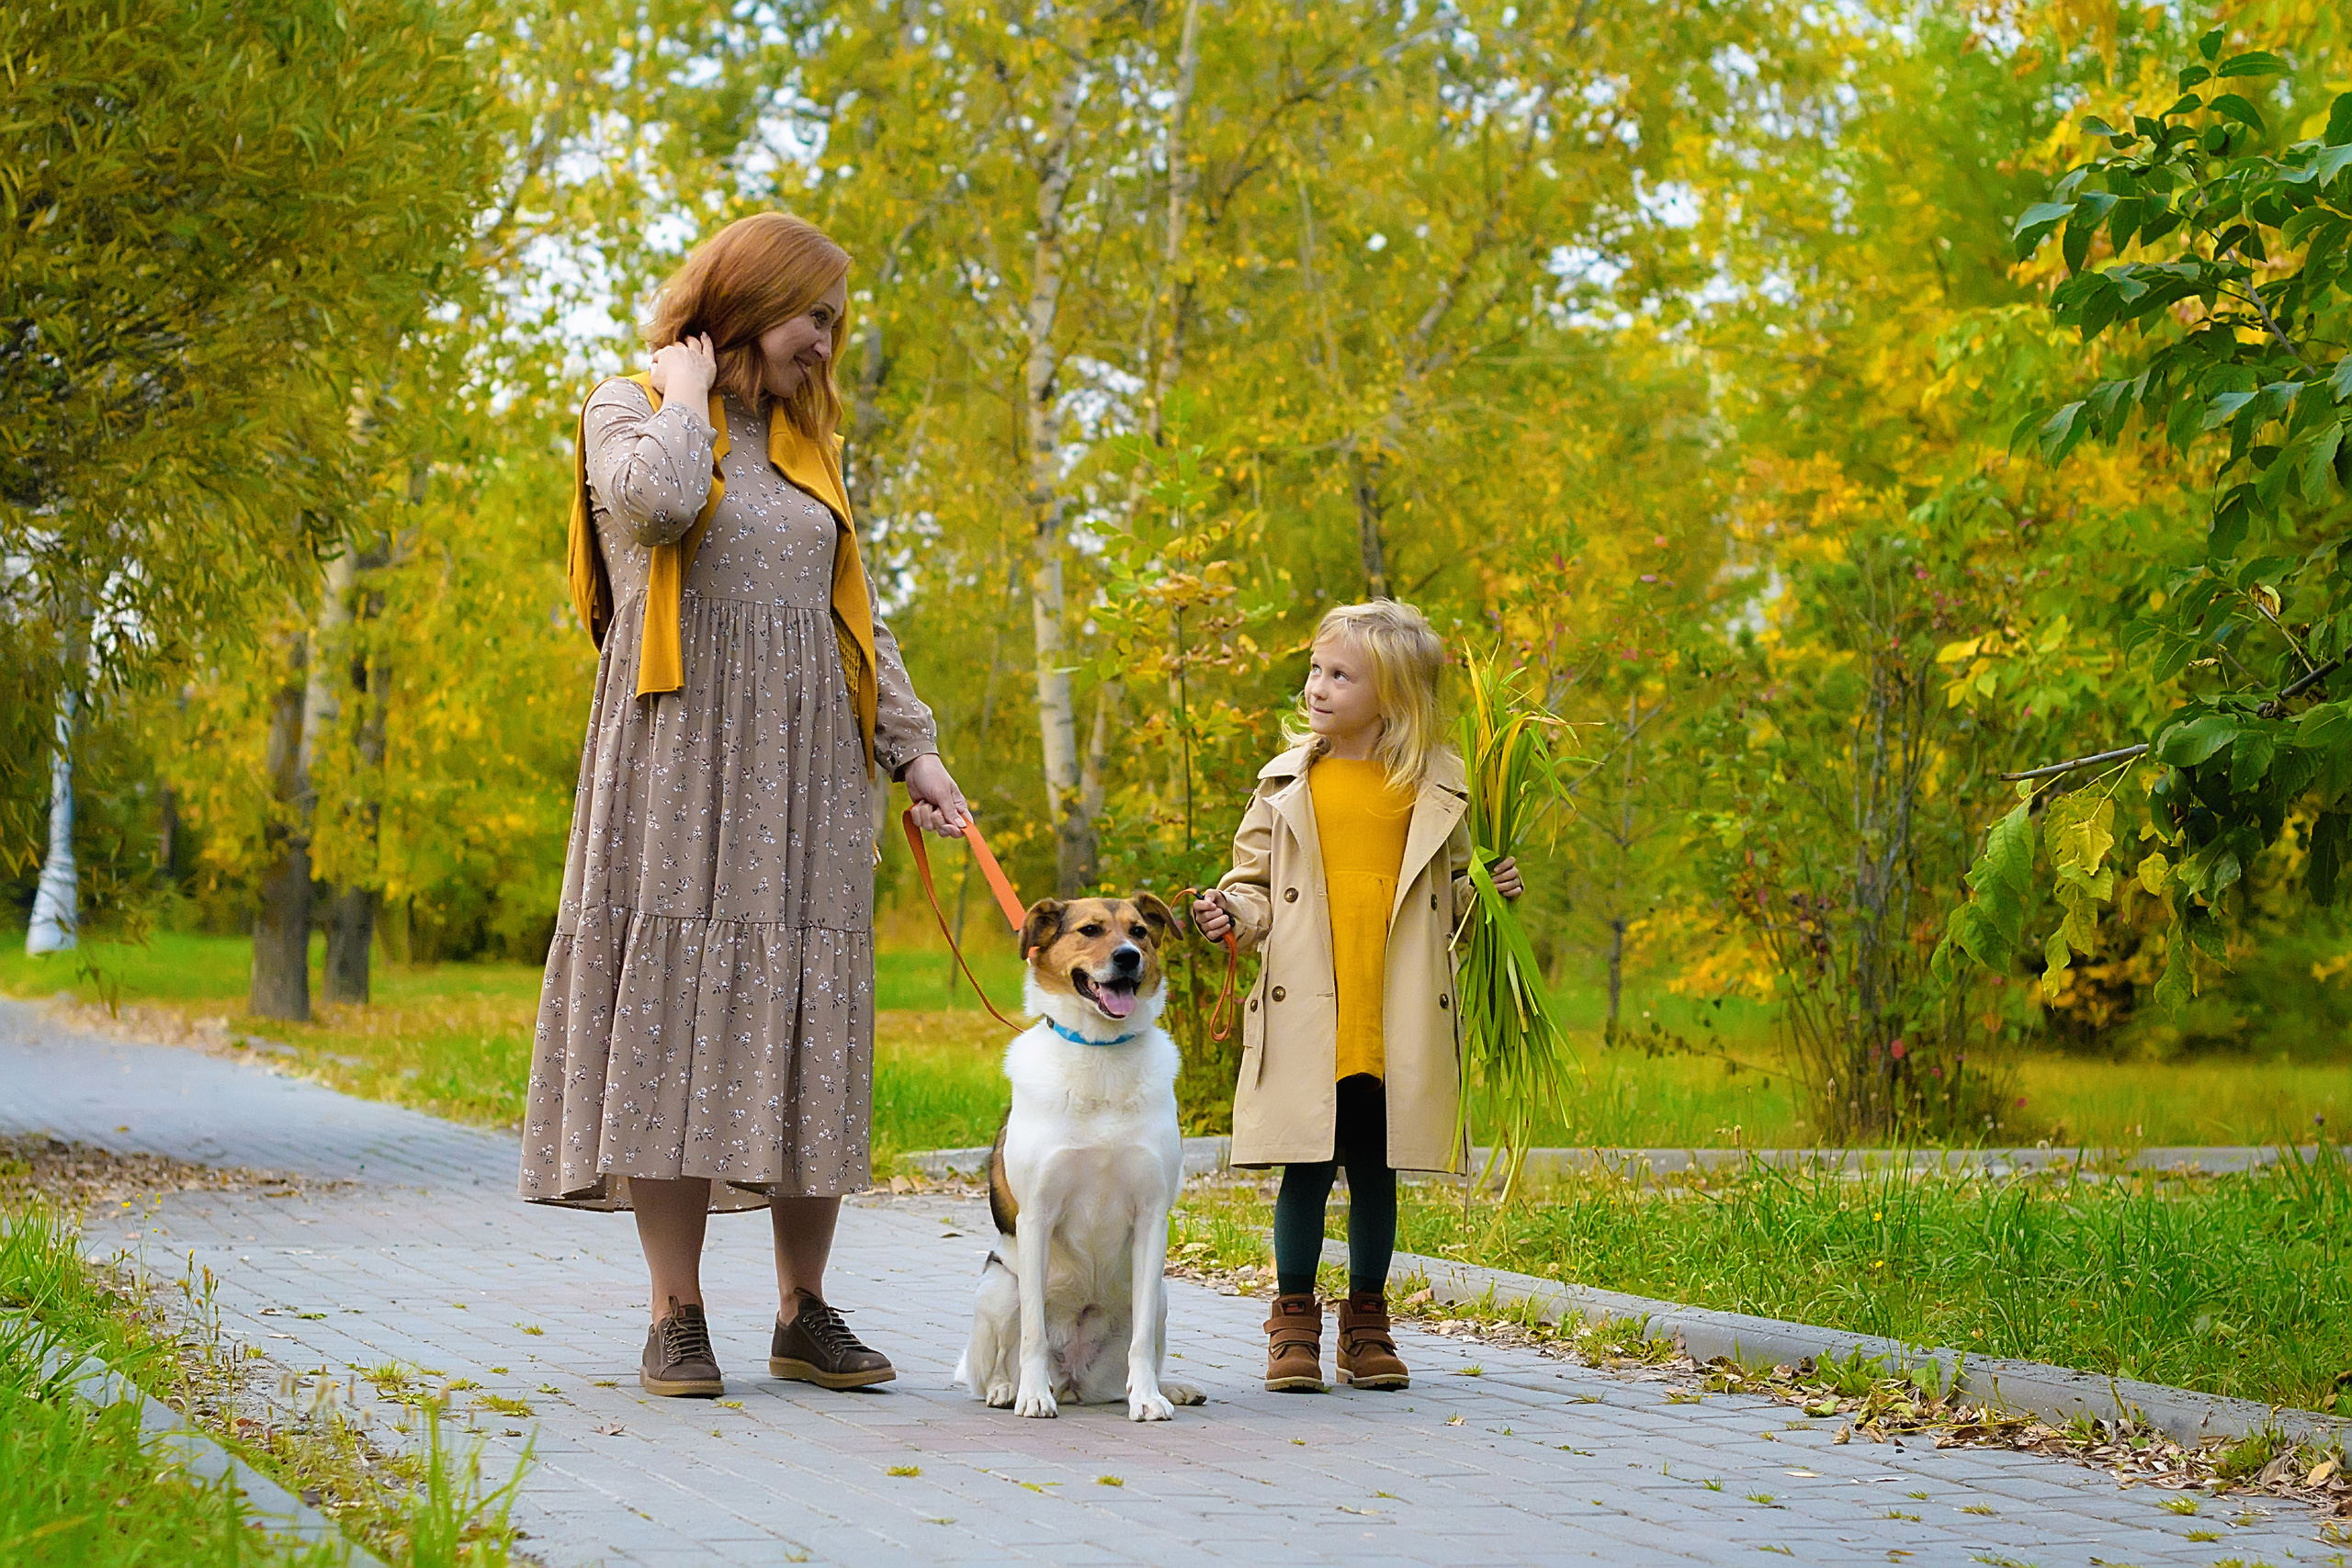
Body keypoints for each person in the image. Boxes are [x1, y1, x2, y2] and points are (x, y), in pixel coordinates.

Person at [519, 212, 972, 1399]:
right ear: (745, 298)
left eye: (833, 319)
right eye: (809, 314)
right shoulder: (626, 409)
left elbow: (854, 614)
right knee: (672, 1012)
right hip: (674, 761)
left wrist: (913, 751)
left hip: (809, 772)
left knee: (805, 1011)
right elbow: (658, 509)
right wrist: (681, 391)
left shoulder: (808, 450)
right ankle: (677, 1314)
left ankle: (803, 1307)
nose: (826, 341)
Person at [1192, 599, 1523, 1393]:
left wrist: (1491, 893)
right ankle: (1292, 1322)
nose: (1318, 686)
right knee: (1305, 1167)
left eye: (1341, 675)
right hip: (1310, 1007)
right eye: (1315, 669)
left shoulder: (1434, 790)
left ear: (1393, 696)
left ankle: (1367, 1323)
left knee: (1378, 1167)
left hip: (1393, 1010)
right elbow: (1252, 888)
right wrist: (1226, 914)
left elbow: (1452, 903)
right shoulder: (1285, 783)